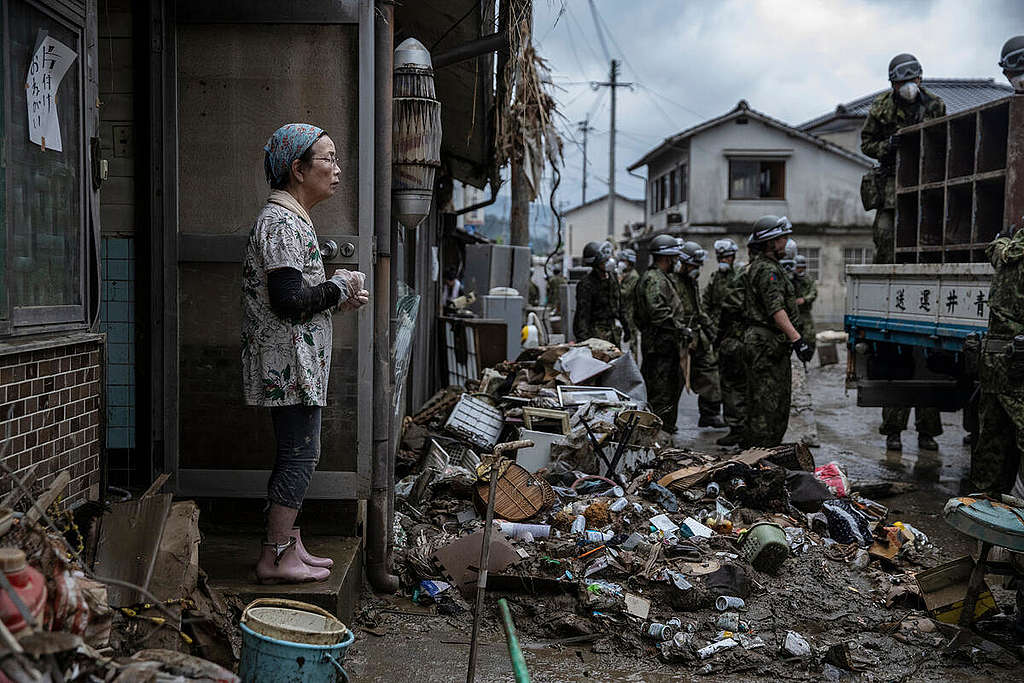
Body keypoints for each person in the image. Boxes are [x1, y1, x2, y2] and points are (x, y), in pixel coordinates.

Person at [242, 123, 369, 583]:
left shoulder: (293, 218)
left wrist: (336, 294)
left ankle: (289, 544)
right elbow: (288, 300)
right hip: (288, 364)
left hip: (297, 361)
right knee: (300, 454)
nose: (337, 170)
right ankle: (275, 556)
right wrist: (338, 285)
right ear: (297, 169)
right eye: (328, 159)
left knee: (301, 451)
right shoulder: (280, 222)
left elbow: (297, 294)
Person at [861, 53, 946, 452]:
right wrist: (888, 146)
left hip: (927, 187)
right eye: (903, 81)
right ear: (894, 84)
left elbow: (946, 137)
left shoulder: (935, 105)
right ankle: (892, 432)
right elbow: (866, 143)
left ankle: (928, 433)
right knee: (886, 234)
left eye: (914, 79)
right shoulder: (881, 107)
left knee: (928, 362)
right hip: (894, 186)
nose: (909, 86)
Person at [970, 36, 1024, 496]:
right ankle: (986, 501)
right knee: (998, 435)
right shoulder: (1011, 248)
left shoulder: (1006, 248)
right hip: (1007, 356)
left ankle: (986, 499)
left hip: (1006, 354)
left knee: (997, 436)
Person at [742, 216, 813, 448]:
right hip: (765, 344)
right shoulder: (767, 270)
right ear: (770, 242)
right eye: (782, 238)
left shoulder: (770, 267)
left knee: (776, 403)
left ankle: (765, 453)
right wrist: (797, 339)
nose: (786, 242)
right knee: (766, 405)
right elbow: (776, 309)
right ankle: (760, 456)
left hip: (770, 344)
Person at [634, 235, 688, 434]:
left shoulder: (658, 277)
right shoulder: (654, 279)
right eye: (675, 257)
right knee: (661, 394)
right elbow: (657, 312)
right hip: (660, 347)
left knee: (668, 390)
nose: (677, 262)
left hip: (664, 345)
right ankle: (657, 438)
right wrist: (679, 327)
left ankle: (664, 432)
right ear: (667, 258)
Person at [672, 240, 725, 429]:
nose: (698, 269)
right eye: (694, 265)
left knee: (710, 373)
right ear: (684, 263)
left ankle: (709, 414)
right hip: (680, 338)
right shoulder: (672, 281)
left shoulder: (692, 283)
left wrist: (712, 333)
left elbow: (699, 310)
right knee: (676, 379)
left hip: (698, 336)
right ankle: (668, 421)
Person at [705, 239, 745, 445]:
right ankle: (731, 424)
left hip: (736, 336)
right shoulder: (715, 278)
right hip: (719, 336)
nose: (724, 261)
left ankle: (739, 426)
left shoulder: (739, 276)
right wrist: (711, 330)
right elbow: (707, 303)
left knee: (735, 382)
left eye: (727, 257)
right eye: (721, 257)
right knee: (722, 380)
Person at [574, 240, 627, 346]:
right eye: (605, 260)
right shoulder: (586, 284)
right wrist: (583, 341)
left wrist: (626, 326)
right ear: (596, 263)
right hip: (596, 337)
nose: (609, 261)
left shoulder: (613, 278)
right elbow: (582, 315)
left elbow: (619, 304)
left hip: (613, 334)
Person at [618, 248, 641, 358]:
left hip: (631, 312)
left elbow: (625, 293)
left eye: (624, 260)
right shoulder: (626, 274)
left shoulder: (633, 276)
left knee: (632, 342)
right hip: (625, 311)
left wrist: (618, 282)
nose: (621, 263)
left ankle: (634, 364)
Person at [793, 254, 818, 355]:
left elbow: (813, 292)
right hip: (793, 313)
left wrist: (804, 299)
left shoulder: (808, 279)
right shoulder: (791, 278)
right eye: (798, 267)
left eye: (802, 267)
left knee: (809, 335)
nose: (800, 270)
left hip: (805, 312)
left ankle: (807, 355)